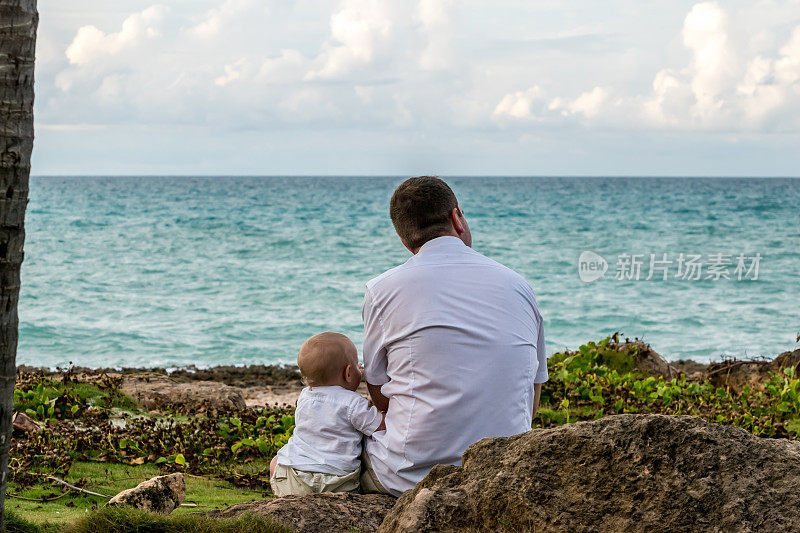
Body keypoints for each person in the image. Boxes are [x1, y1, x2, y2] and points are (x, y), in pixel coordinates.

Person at [359, 176, 548, 496]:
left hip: (411, 479)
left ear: (406, 242)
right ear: (457, 218)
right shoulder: (518, 285)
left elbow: (378, 390)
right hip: (504, 468)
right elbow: (532, 391)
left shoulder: (382, 290)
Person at [269, 332, 385, 497]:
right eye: (358, 366)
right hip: (339, 482)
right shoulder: (353, 403)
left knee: (276, 462)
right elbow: (379, 425)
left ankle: (282, 497)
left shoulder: (304, 396)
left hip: (298, 479)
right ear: (348, 373)